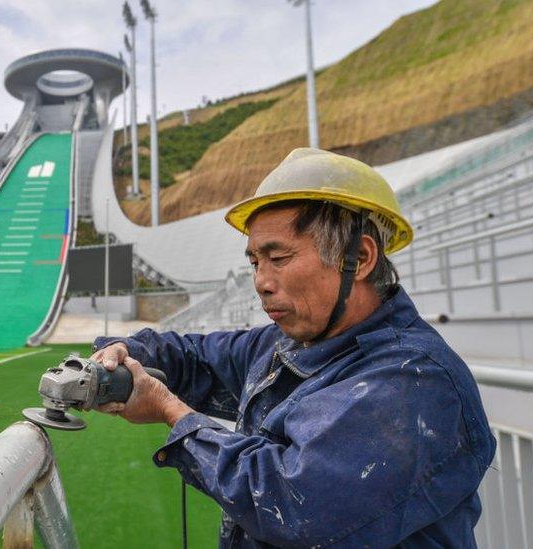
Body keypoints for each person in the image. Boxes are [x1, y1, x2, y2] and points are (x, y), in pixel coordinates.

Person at [92, 148, 495, 548]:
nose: (261, 282)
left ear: (360, 257)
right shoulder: (289, 342)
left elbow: (291, 504)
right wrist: (121, 351)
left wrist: (170, 411)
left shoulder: (416, 379)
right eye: (255, 263)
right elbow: (196, 357)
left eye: (278, 258)